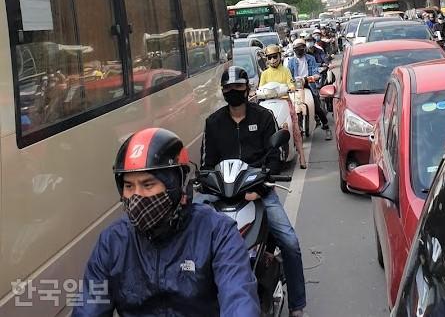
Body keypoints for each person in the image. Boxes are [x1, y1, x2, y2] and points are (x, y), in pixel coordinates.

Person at [73, 127, 260, 317]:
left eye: (148, 184)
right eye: (129, 186)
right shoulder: (112, 241)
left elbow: (239, 298)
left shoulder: (217, 232)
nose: (136, 196)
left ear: (176, 186)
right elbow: (89, 307)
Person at [202, 67, 307, 317]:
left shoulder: (263, 117)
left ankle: (297, 305)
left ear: (247, 90)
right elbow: (207, 164)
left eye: (238, 88)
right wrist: (206, 183)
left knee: (290, 243)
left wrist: (259, 188)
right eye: (229, 88)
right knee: (192, 238)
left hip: (258, 190)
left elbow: (274, 159)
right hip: (222, 194)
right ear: (223, 91)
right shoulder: (213, 123)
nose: (233, 92)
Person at [259, 44, 307, 169]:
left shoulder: (285, 70)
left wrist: (290, 88)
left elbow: (291, 84)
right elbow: (260, 89)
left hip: (284, 102)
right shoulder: (264, 74)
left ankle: (302, 156)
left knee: (295, 128)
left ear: (280, 56)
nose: (273, 60)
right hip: (268, 105)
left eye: (275, 56)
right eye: (269, 57)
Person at [288, 38, 332, 140]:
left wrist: (314, 77)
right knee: (293, 109)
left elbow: (315, 72)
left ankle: (326, 127)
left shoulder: (310, 58)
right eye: (297, 48)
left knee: (317, 107)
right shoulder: (291, 62)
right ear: (294, 49)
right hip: (296, 87)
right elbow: (289, 76)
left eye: (302, 47)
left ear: (305, 48)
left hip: (309, 85)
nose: (300, 50)